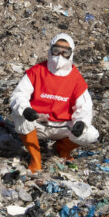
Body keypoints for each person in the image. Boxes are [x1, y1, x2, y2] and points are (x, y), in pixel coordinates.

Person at [9, 33, 99, 172]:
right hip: (38, 123)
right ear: (50, 50)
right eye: (56, 51)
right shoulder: (37, 71)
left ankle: (62, 148)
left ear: (71, 54)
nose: (60, 56)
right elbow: (19, 95)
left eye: (65, 52)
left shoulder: (76, 79)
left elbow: (85, 106)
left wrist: (81, 122)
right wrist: (27, 110)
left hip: (62, 127)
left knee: (90, 134)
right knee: (19, 116)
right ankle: (35, 158)